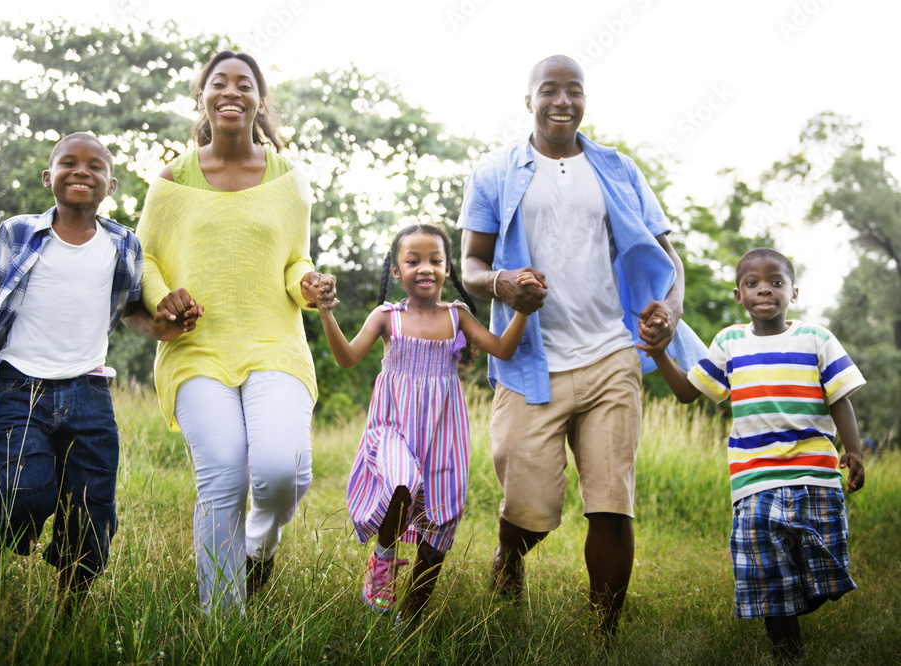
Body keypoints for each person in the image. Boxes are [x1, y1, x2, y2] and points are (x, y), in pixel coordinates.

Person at [458, 54, 707, 634]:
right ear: (529, 101)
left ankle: (603, 635)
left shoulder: (618, 169)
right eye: (550, 90)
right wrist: (502, 283)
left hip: (611, 352)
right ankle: (510, 557)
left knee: (611, 503)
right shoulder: (495, 172)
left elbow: (669, 256)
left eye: (574, 90)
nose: (563, 101)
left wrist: (669, 309)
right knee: (531, 507)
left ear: (585, 99)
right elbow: (469, 263)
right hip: (530, 359)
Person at [0, 132, 196, 615]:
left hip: (89, 393)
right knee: (25, 497)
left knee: (90, 512)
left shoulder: (123, 244)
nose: (82, 171)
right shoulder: (17, 234)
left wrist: (162, 327)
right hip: (20, 390)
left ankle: (68, 613)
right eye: (69, 163)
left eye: (95, 166)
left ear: (111, 184)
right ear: (48, 177)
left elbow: (130, 315)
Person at [135, 50, 334, 614]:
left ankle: (258, 549)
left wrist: (309, 283)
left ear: (259, 100)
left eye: (243, 83)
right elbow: (146, 258)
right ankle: (223, 622)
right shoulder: (172, 180)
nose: (231, 91)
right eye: (218, 82)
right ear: (202, 98)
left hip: (274, 342)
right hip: (197, 348)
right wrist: (161, 298)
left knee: (278, 475)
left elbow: (294, 261)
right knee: (223, 472)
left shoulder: (288, 180)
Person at [648, 248, 865, 663]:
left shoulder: (816, 338)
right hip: (753, 481)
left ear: (793, 292)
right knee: (767, 577)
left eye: (776, 282)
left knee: (827, 575)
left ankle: (793, 604)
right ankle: (787, 652)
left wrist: (852, 450)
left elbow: (840, 396)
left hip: (813, 474)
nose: (765, 289)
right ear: (738, 295)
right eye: (753, 284)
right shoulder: (729, 342)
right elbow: (687, 393)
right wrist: (660, 352)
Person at [316, 223, 536, 622]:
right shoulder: (386, 317)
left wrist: (523, 310)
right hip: (393, 429)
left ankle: (409, 619)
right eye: (413, 260)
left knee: (439, 525)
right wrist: (326, 313)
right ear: (397, 271)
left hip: (444, 434)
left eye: (435, 260)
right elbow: (347, 357)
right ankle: (382, 562)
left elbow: (502, 349)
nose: (425, 268)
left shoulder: (458, 316)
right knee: (402, 482)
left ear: (448, 269)